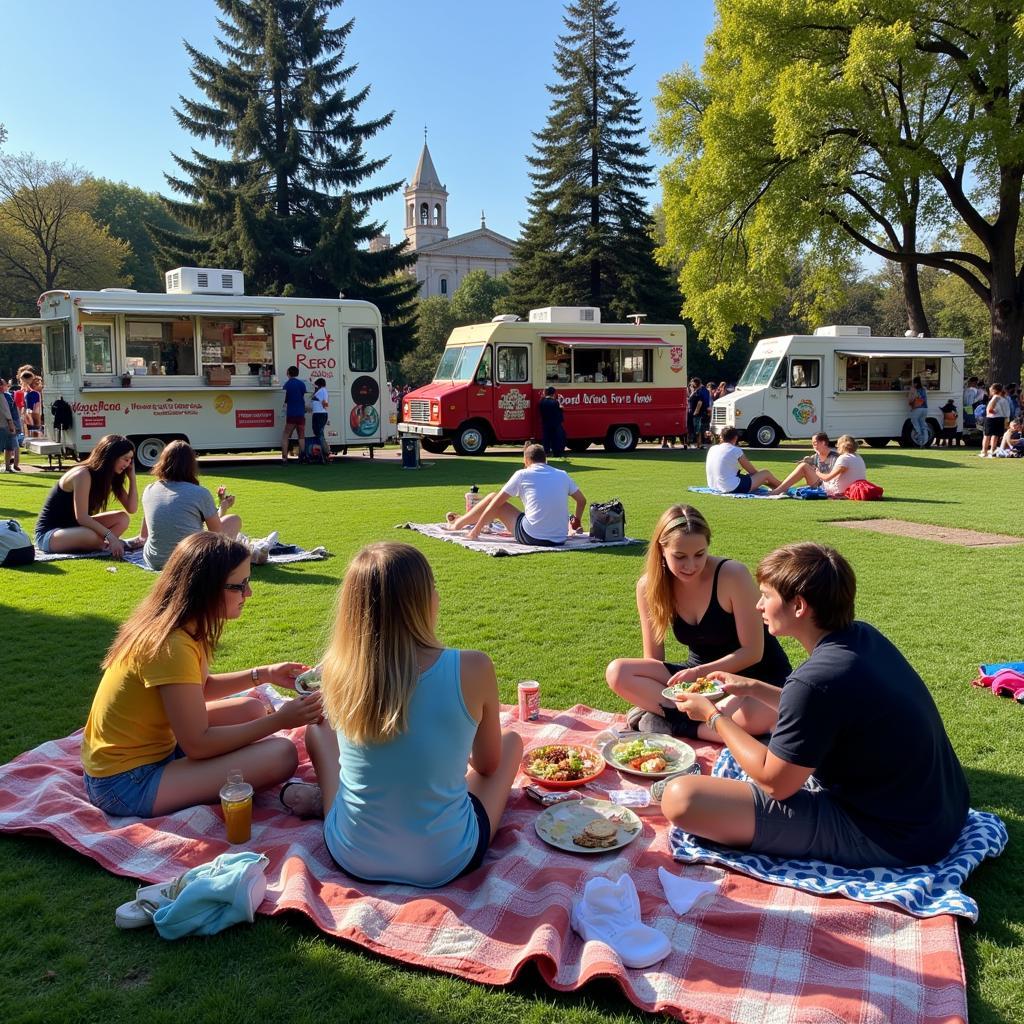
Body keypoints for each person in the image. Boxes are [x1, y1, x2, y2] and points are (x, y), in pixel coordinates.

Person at [661, 542, 970, 869]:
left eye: (766, 595)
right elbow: (827, 710)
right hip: (942, 813)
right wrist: (751, 687)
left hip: (892, 836)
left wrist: (712, 716)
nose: (758, 605)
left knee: (682, 798)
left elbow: (775, 784)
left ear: (798, 606)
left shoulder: (815, 680)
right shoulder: (863, 638)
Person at [294, 542, 523, 886]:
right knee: (513, 742)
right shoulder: (473, 667)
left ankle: (328, 803)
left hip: (352, 852)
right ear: (424, 600)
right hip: (446, 858)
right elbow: (487, 765)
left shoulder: (336, 670)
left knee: (316, 733)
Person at [80, 532, 322, 818]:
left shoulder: (183, 625)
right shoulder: (171, 645)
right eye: (240, 585)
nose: (249, 593)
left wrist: (264, 674)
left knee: (252, 707)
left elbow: (200, 687)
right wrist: (280, 720)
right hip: (124, 783)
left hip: (151, 752)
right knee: (282, 754)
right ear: (206, 589)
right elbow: (197, 744)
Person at [606, 505, 791, 742]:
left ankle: (675, 722)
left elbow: (753, 652)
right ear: (661, 550)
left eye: (700, 554)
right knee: (618, 672)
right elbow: (652, 659)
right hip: (698, 683)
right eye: (680, 557)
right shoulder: (648, 587)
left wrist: (697, 675)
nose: (691, 565)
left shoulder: (732, 575)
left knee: (762, 715)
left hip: (755, 680)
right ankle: (697, 720)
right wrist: (684, 684)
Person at [445, 443, 586, 545]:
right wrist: (576, 522)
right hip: (559, 538)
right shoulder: (562, 475)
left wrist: (476, 530)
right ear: (545, 460)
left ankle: (458, 524)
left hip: (532, 536)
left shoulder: (522, 474)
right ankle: (462, 520)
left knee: (493, 497)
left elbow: (495, 503)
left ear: (526, 460)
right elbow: (581, 500)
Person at [139, 440, 243, 570]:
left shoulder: (149, 489)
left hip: (155, 560)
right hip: (189, 561)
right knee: (234, 520)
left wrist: (222, 508)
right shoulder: (199, 493)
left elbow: (144, 535)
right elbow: (217, 534)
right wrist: (223, 509)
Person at [34, 434, 139, 558]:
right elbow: (82, 517)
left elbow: (132, 509)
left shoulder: (109, 476)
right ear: (112, 456)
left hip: (76, 528)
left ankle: (104, 544)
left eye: (130, 460)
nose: (128, 464)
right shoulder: (82, 474)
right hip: (50, 535)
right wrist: (110, 536)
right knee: (91, 536)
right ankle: (105, 544)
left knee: (123, 518)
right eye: (126, 459)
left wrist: (132, 478)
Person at [769, 434, 866, 497]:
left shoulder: (842, 458)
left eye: (838, 445)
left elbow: (828, 478)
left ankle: (777, 491)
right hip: (849, 490)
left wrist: (817, 472)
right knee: (803, 467)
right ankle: (780, 487)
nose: (836, 447)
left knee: (803, 467)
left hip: (836, 491)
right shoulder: (858, 457)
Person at [705, 426, 781, 494]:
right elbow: (752, 471)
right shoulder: (735, 450)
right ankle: (784, 487)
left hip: (713, 485)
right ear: (735, 438)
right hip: (730, 487)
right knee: (765, 473)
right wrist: (761, 480)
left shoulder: (712, 448)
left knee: (754, 477)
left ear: (721, 437)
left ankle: (779, 486)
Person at [281, 366, 307, 462]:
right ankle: (303, 457)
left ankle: (284, 458)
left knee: (286, 435)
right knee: (301, 436)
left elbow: (285, 399)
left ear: (288, 373)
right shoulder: (301, 384)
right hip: (301, 413)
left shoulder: (287, 385)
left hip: (291, 413)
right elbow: (304, 395)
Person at [981, 383, 1010, 457]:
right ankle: (992, 450)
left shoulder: (995, 397)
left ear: (994, 390)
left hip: (991, 418)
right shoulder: (1004, 399)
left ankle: (984, 451)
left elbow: (990, 410)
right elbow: (1007, 412)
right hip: (1000, 418)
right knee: (995, 435)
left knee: (987, 435)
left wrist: (992, 411)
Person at [538, 386, 566, 457]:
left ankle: (546, 452)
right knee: (556, 439)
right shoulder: (555, 402)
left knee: (546, 438)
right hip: (555, 423)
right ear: (553, 393)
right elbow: (558, 412)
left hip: (545, 422)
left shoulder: (542, 401)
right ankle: (557, 453)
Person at [0, 379, 19, 472]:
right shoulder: (2, 396)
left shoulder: (8, 396)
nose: (6, 386)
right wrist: (11, 424)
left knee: (9, 446)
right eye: (4, 385)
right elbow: (7, 412)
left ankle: (8, 467)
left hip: (6, 424)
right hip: (4, 425)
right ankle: (7, 467)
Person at [688, 378, 711, 450]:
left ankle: (699, 444)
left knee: (697, 430)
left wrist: (696, 412)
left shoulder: (698, 392)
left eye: (692, 383)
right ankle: (694, 444)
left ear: (695, 383)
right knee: (693, 429)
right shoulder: (695, 391)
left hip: (696, 413)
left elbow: (700, 402)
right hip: (692, 412)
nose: (691, 385)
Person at [310, 377, 330, 459]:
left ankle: (326, 452)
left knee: (319, 433)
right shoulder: (321, 391)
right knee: (318, 432)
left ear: (319, 385)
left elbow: (325, 403)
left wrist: (323, 407)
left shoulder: (322, 391)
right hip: (319, 413)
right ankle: (323, 451)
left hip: (320, 414)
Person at [907, 375, 929, 446]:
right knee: (923, 424)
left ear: (915, 383)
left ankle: (919, 439)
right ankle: (925, 441)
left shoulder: (914, 389)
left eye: (913, 383)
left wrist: (909, 396)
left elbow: (911, 399)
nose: (912, 384)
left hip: (917, 408)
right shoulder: (924, 389)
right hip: (925, 408)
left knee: (915, 423)